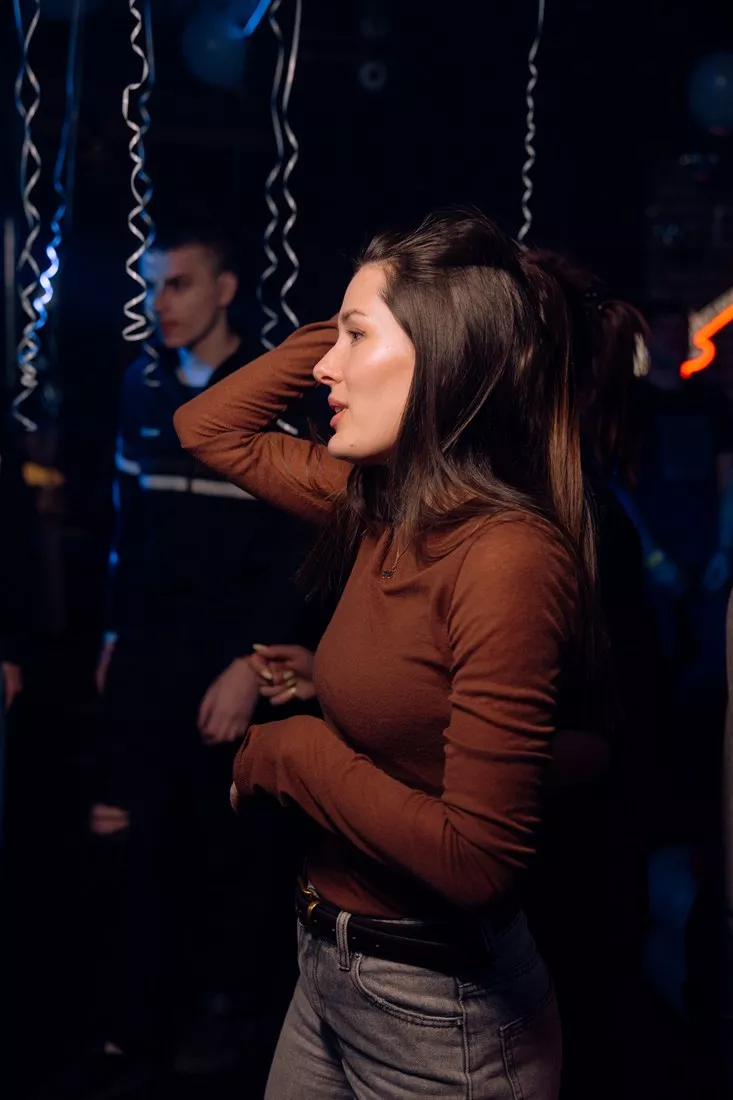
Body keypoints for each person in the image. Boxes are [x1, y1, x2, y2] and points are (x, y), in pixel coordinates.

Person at [174, 210, 610, 1099]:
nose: (324, 367)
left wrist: (291, 752)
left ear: (441, 362)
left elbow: (478, 860)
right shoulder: (383, 504)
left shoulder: (506, 556)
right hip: (328, 964)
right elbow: (207, 427)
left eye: (354, 338)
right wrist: (365, 308)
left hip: (440, 1008)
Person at [86, 218, 324, 1086]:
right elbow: (127, 526)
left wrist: (248, 662)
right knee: (139, 836)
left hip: (232, 652)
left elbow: (297, 544)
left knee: (230, 844)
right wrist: (114, 635)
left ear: (224, 289)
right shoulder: (141, 385)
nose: (160, 303)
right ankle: (136, 1023)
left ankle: (227, 1023)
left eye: (178, 283)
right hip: (150, 650)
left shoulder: (267, 394)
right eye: (152, 285)